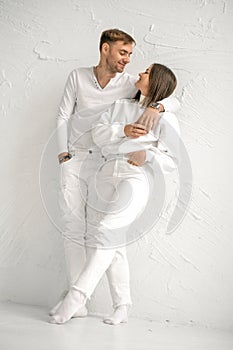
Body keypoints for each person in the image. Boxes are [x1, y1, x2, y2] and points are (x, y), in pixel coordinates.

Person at [50, 28, 180, 324]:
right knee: (84, 230)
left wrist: (159, 109)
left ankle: (77, 297)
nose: (130, 62)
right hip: (87, 163)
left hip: (126, 173)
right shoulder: (108, 93)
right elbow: (83, 124)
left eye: (133, 57)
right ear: (105, 49)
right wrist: (64, 153)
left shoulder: (135, 90)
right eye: (123, 53)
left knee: (107, 233)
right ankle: (121, 303)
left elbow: (169, 98)